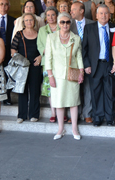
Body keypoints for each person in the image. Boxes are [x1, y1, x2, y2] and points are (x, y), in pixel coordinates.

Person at [45, 12, 84, 140]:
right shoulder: (51, 38)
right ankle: (60, 129)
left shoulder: (76, 38)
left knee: (73, 102)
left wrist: (81, 72)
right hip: (57, 75)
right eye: (62, 22)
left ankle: (74, 129)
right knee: (59, 103)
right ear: (58, 23)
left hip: (72, 75)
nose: (65, 24)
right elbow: (48, 58)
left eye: (67, 22)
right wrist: (50, 76)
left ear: (70, 23)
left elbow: (79, 57)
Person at [82, 5, 115, 127]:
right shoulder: (89, 28)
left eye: (106, 13)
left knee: (109, 92)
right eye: (101, 13)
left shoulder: (114, 28)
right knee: (95, 92)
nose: (103, 16)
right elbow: (84, 49)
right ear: (96, 15)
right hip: (94, 66)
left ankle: (110, 117)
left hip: (109, 65)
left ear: (109, 15)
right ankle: (98, 117)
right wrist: (86, 65)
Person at [11, 13, 42, 123]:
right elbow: (13, 50)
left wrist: (40, 57)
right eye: (26, 20)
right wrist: (21, 61)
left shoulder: (39, 34)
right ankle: (22, 115)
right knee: (22, 90)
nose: (29, 22)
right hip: (22, 67)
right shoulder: (19, 34)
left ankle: (34, 114)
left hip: (35, 66)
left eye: (31, 20)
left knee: (35, 91)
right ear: (23, 22)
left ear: (34, 21)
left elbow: (45, 49)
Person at [70, 1, 95, 123]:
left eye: (74, 9)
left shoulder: (92, 24)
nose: (71, 12)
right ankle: (75, 114)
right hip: (74, 61)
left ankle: (87, 113)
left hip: (89, 60)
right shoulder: (68, 24)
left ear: (82, 11)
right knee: (75, 88)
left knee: (88, 88)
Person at [37, 6, 63, 123]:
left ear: (57, 16)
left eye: (53, 15)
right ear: (45, 17)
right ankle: (53, 112)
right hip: (47, 63)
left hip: (61, 62)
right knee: (50, 88)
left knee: (62, 87)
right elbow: (40, 46)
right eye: (48, 15)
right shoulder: (42, 30)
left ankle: (62, 113)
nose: (51, 17)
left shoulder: (62, 27)